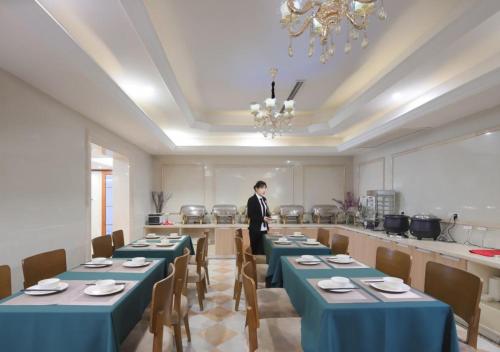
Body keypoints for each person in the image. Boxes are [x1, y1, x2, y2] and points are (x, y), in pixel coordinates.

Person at [247, 180, 272, 254]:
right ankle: (255, 265)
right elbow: (250, 215)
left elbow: (265, 212)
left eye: (265, 188)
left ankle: (262, 264)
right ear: (256, 189)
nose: (264, 190)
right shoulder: (252, 200)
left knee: (263, 250)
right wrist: (262, 218)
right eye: (262, 188)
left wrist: (268, 217)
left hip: (264, 229)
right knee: (256, 250)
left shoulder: (264, 199)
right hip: (255, 229)